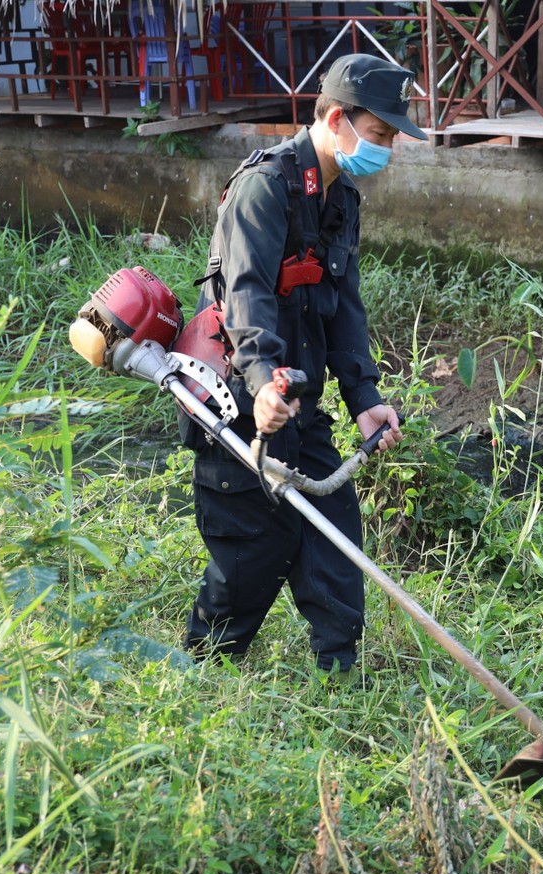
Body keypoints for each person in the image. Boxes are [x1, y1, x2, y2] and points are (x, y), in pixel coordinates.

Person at [182, 53, 427, 681]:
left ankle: (339, 677)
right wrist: (263, 383)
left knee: (335, 535)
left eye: (393, 137)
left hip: (302, 403)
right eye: (380, 134)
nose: (387, 149)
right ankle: (204, 672)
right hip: (243, 405)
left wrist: (364, 394)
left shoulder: (340, 197)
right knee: (253, 548)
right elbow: (247, 296)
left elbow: (343, 305)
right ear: (338, 119)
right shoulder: (264, 187)